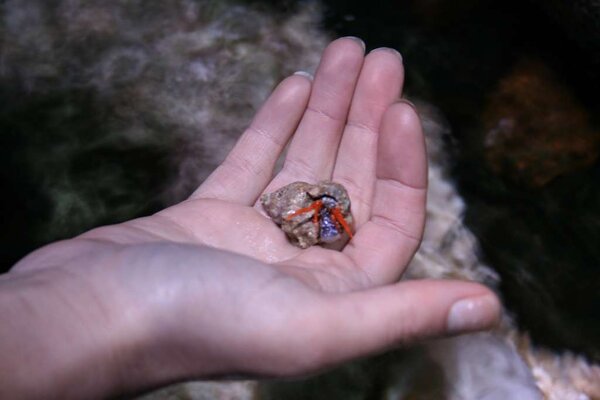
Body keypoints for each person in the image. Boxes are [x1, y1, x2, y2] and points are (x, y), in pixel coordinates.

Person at [0, 37, 500, 399]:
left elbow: (331, 216)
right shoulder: (307, 208)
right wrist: (101, 314)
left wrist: (74, 301)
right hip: (309, 211)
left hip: (317, 212)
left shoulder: (326, 211)